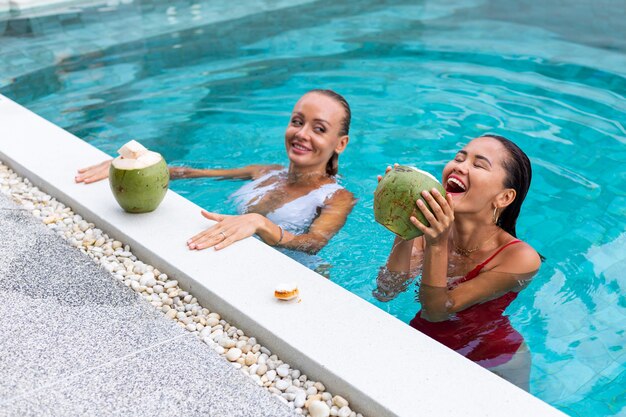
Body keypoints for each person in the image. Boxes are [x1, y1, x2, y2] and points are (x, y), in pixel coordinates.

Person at [75, 89, 356, 260]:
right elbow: (189, 173)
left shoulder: (337, 197)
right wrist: (136, 164)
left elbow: (313, 244)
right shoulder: (264, 172)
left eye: (319, 129)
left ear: (340, 144)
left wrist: (263, 224)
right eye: (297, 122)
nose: (302, 134)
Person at [374, 134, 541, 391]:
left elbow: (438, 310)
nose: (460, 166)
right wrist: (403, 223)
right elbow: (387, 290)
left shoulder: (519, 257)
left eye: (478, 164)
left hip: (495, 362)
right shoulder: (431, 227)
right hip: (426, 344)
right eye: (459, 158)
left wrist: (437, 245)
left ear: (504, 197)